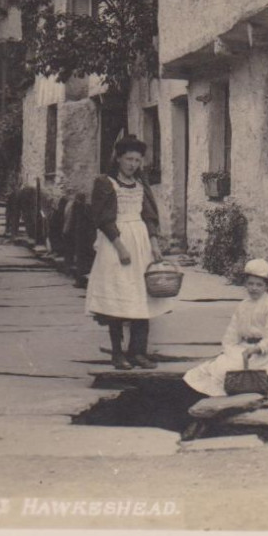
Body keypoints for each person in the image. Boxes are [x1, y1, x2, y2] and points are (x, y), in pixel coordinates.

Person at [85, 134, 170, 370]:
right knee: (118, 295)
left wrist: (154, 243)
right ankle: (117, 353)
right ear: (119, 158)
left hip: (140, 241)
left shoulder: (141, 185)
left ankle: (138, 351)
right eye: (129, 159)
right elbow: (102, 219)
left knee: (142, 295)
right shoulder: (105, 183)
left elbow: (149, 216)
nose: (133, 164)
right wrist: (120, 246)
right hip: (116, 244)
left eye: (137, 160)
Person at [183, 259, 268, 397]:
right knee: (213, 366)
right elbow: (233, 331)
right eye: (250, 284)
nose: (254, 288)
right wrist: (228, 348)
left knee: (228, 369)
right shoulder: (243, 305)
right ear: (245, 284)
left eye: (259, 285)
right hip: (244, 347)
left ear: (266, 286)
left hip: (265, 351)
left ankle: (225, 395)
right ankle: (206, 394)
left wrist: (256, 349)